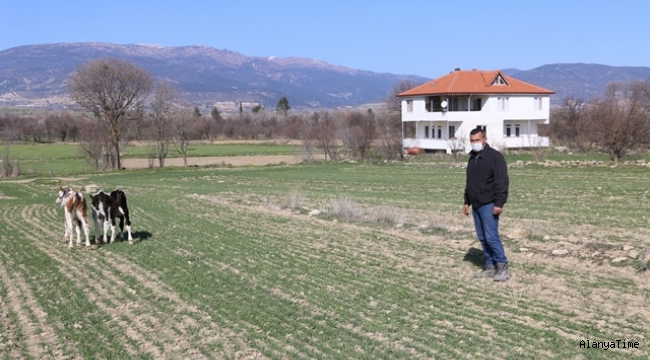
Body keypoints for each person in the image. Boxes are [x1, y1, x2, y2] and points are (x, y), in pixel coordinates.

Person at [463, 128, 510, 281]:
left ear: (485, 139)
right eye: (472, 140)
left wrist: (499, 203)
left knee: (491, 237)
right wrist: (466, 201)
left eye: (477, 140)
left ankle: (502, 266)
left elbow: (502, 182)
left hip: (489, 203)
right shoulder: (472, 159)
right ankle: (490, 265)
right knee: (482, 237)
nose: (474, 143)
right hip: (476, 204)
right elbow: (470, 182)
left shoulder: (495, 158)